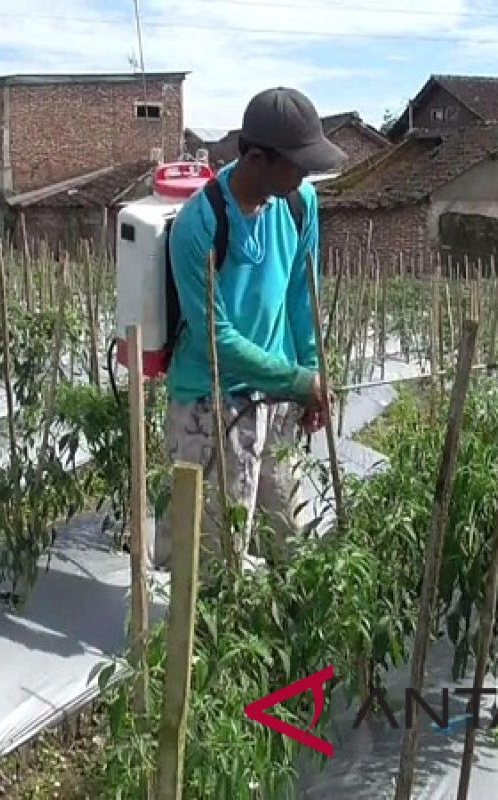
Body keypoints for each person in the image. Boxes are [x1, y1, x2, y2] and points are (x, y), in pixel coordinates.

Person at [153, 87, 347, 574]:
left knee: (291, 534)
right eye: (297, 164)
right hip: (209, 401)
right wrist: (299, 382)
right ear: (257, 157)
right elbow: (217, 340)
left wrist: (309, 372)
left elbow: (304, 296)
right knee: (210, 552)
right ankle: (198, 645)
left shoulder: (300, 203)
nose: (305, 174)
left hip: (276, 391)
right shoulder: (199, 226)